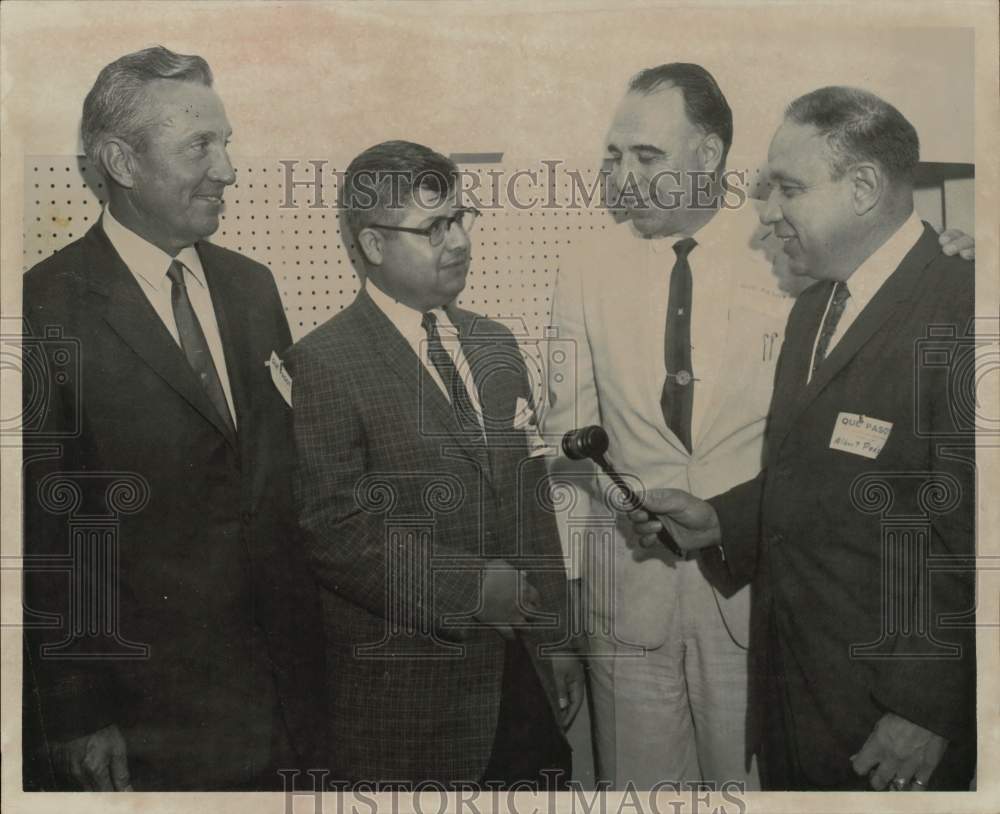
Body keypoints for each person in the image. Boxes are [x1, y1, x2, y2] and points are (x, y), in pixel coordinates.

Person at [541, 63, 975, 790]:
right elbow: (570, 439)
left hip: (787, 628)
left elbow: (961, 526)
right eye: (616, 156)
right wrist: (693, 524)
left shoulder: (830, 271)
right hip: (667, 611)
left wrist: (926, 705)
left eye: (648, 156)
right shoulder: (596, 267)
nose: (626, 175)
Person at [22, 46, 325, 791]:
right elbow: (43, 535)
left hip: (293, 704)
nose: (226, 169)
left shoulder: (252, 289)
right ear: (121, 162)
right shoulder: (43, 307)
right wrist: (77, 712)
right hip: (153, 725)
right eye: (201, 146)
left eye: (226, 144)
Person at [285, 140, 584, 787]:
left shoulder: (495, 344)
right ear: (371, 245)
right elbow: (335, 532)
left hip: (521, 686)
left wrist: (557, 640)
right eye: (432, 228)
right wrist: (469, 588)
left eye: (458, 220)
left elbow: (533, 501)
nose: (457, 242)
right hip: (410, 709)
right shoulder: (324, 362)